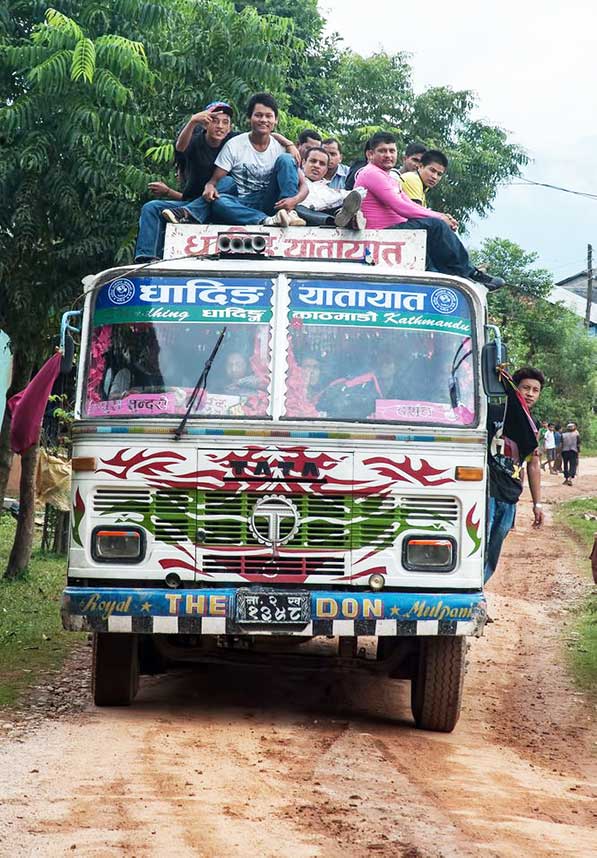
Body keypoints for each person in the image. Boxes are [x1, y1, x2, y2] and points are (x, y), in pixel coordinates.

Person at [355, 132, 504, 289]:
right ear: (370, 154)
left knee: (434, 257)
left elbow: (410, 205)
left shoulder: (390, 178)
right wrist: (440, 218)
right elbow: (402, 207)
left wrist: (442, 216)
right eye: (382, 151)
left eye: (392, 151)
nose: (388, 155)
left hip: (399, 234)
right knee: (435, 226)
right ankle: (470, 273)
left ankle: (455, 279)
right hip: (382, 233)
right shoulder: (370, 173)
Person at [134, 101, 236, 262]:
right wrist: (192, 121)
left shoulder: (235, 141)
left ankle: (190, 213)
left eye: (225, 122)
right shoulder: (195, 142)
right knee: (151, 208)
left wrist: (289, 145)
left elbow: (264, 136)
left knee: (227, 181)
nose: (220, 126)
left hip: (221, 203)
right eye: (214, 120)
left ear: (230, 127)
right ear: (205, 124)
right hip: (192, 206)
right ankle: (146, 259)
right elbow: (180, 148)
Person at [205, 92, 308, 227]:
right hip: (244, 203)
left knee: (286, 159)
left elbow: (304, 186)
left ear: (275, 120)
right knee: (219, 202)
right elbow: (214, 181)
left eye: (268, 116)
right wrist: (209, 186)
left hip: (275, 203)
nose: (263, 120)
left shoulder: (282, 147)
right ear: (249, 118)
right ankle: (267, 220)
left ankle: (289, 213)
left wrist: (294, 200)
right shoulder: (234, 145)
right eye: (258, 115)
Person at [485, 367, 545, 583]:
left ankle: (479, 591)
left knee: (494, 548)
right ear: (515, 389)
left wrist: (537, 504)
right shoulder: (494, 411)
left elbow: (533, 464)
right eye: (525, 388)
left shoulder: (531, 426)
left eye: (535, 390)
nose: (530, 393)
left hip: (510, 496)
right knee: (480, 545)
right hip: (488, 491)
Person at [294, 147, 366, 229]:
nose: (316, 166)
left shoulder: (327, 189)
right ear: (303, 162)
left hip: (326, 213)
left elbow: (346, 196)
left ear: (326, 169)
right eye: (313, 161)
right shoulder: (295, 179)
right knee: (299, 208)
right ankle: (337, 221)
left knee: (344, 204)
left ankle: (348, 218)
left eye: (322, 164)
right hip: (305, 214)